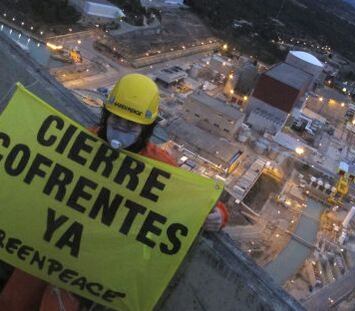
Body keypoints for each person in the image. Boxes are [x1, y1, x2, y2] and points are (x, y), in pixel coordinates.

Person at [0, 73, 228, 310]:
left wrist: (219, 214)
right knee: (13, 301)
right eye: (116, 120)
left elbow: (194, 197)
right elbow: (36, 161)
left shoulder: (158, 166)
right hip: (49, 241)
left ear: (146, 128)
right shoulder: (82, 143)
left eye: (130, 125)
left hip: (93, 263)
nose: (121, 129)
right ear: (106, 117)